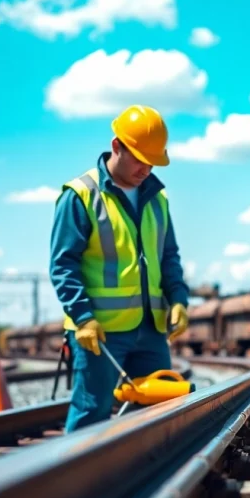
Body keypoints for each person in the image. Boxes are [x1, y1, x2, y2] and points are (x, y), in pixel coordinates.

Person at [49, 104, 191, 433]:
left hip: (151, 330)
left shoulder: (158, 199)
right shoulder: (81, 195)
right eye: (140, 159)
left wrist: (180, 299)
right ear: (117, 146)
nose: (147, 169)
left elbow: (169, 256)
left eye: (153, 161)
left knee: (157, 416)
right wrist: (82, 318)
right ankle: (79, 480)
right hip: (99, 330)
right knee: (91, 412)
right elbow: (62, 264)